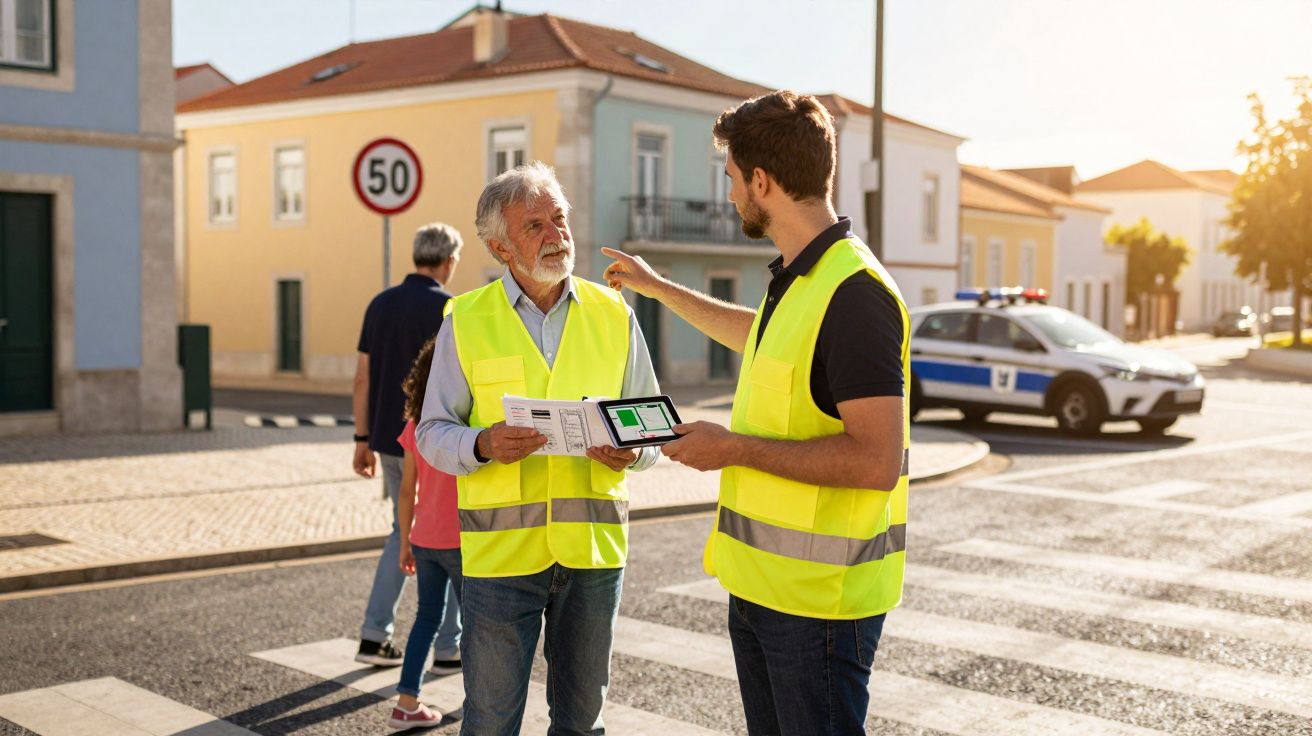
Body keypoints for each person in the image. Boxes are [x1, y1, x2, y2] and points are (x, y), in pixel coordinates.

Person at [602, 90, 910, 735]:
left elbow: (877, 461)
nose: (731, 195)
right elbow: (760, 336)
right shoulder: (802, 279)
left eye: (733, 180)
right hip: (764, 591)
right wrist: (655, 287)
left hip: (819, 606)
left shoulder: (854, 294)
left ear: (762, 182)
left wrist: (733, 447)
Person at [416, 161, 660, 735]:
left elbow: (650, 425)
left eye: (560, 218)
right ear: (501, 247)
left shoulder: (615, 313)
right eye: (535, 226)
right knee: (491, 722)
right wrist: (482, 443)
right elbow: (431, 432)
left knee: (582, 723)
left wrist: (633, 451)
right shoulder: (466, 319)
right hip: (501, 562)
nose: (556, 234)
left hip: (593, 558)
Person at [352, 223, 464, 668]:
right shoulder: (452, 309)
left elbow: (362, 377)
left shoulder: (379, 304)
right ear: (449, 261)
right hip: (436, 438)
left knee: (404, 530)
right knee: (455, 533)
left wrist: (361, 439)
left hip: (388, 438)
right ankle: (448, 647)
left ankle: (375, 634)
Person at [387, 337, 463, 730]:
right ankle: (483, 700)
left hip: (424, 539)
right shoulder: (467, 424)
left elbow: (406, 490)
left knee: (426, 619)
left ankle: (406, 702)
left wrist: (404, 541)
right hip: (464, 540)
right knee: (481, 624)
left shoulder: (416, 426)